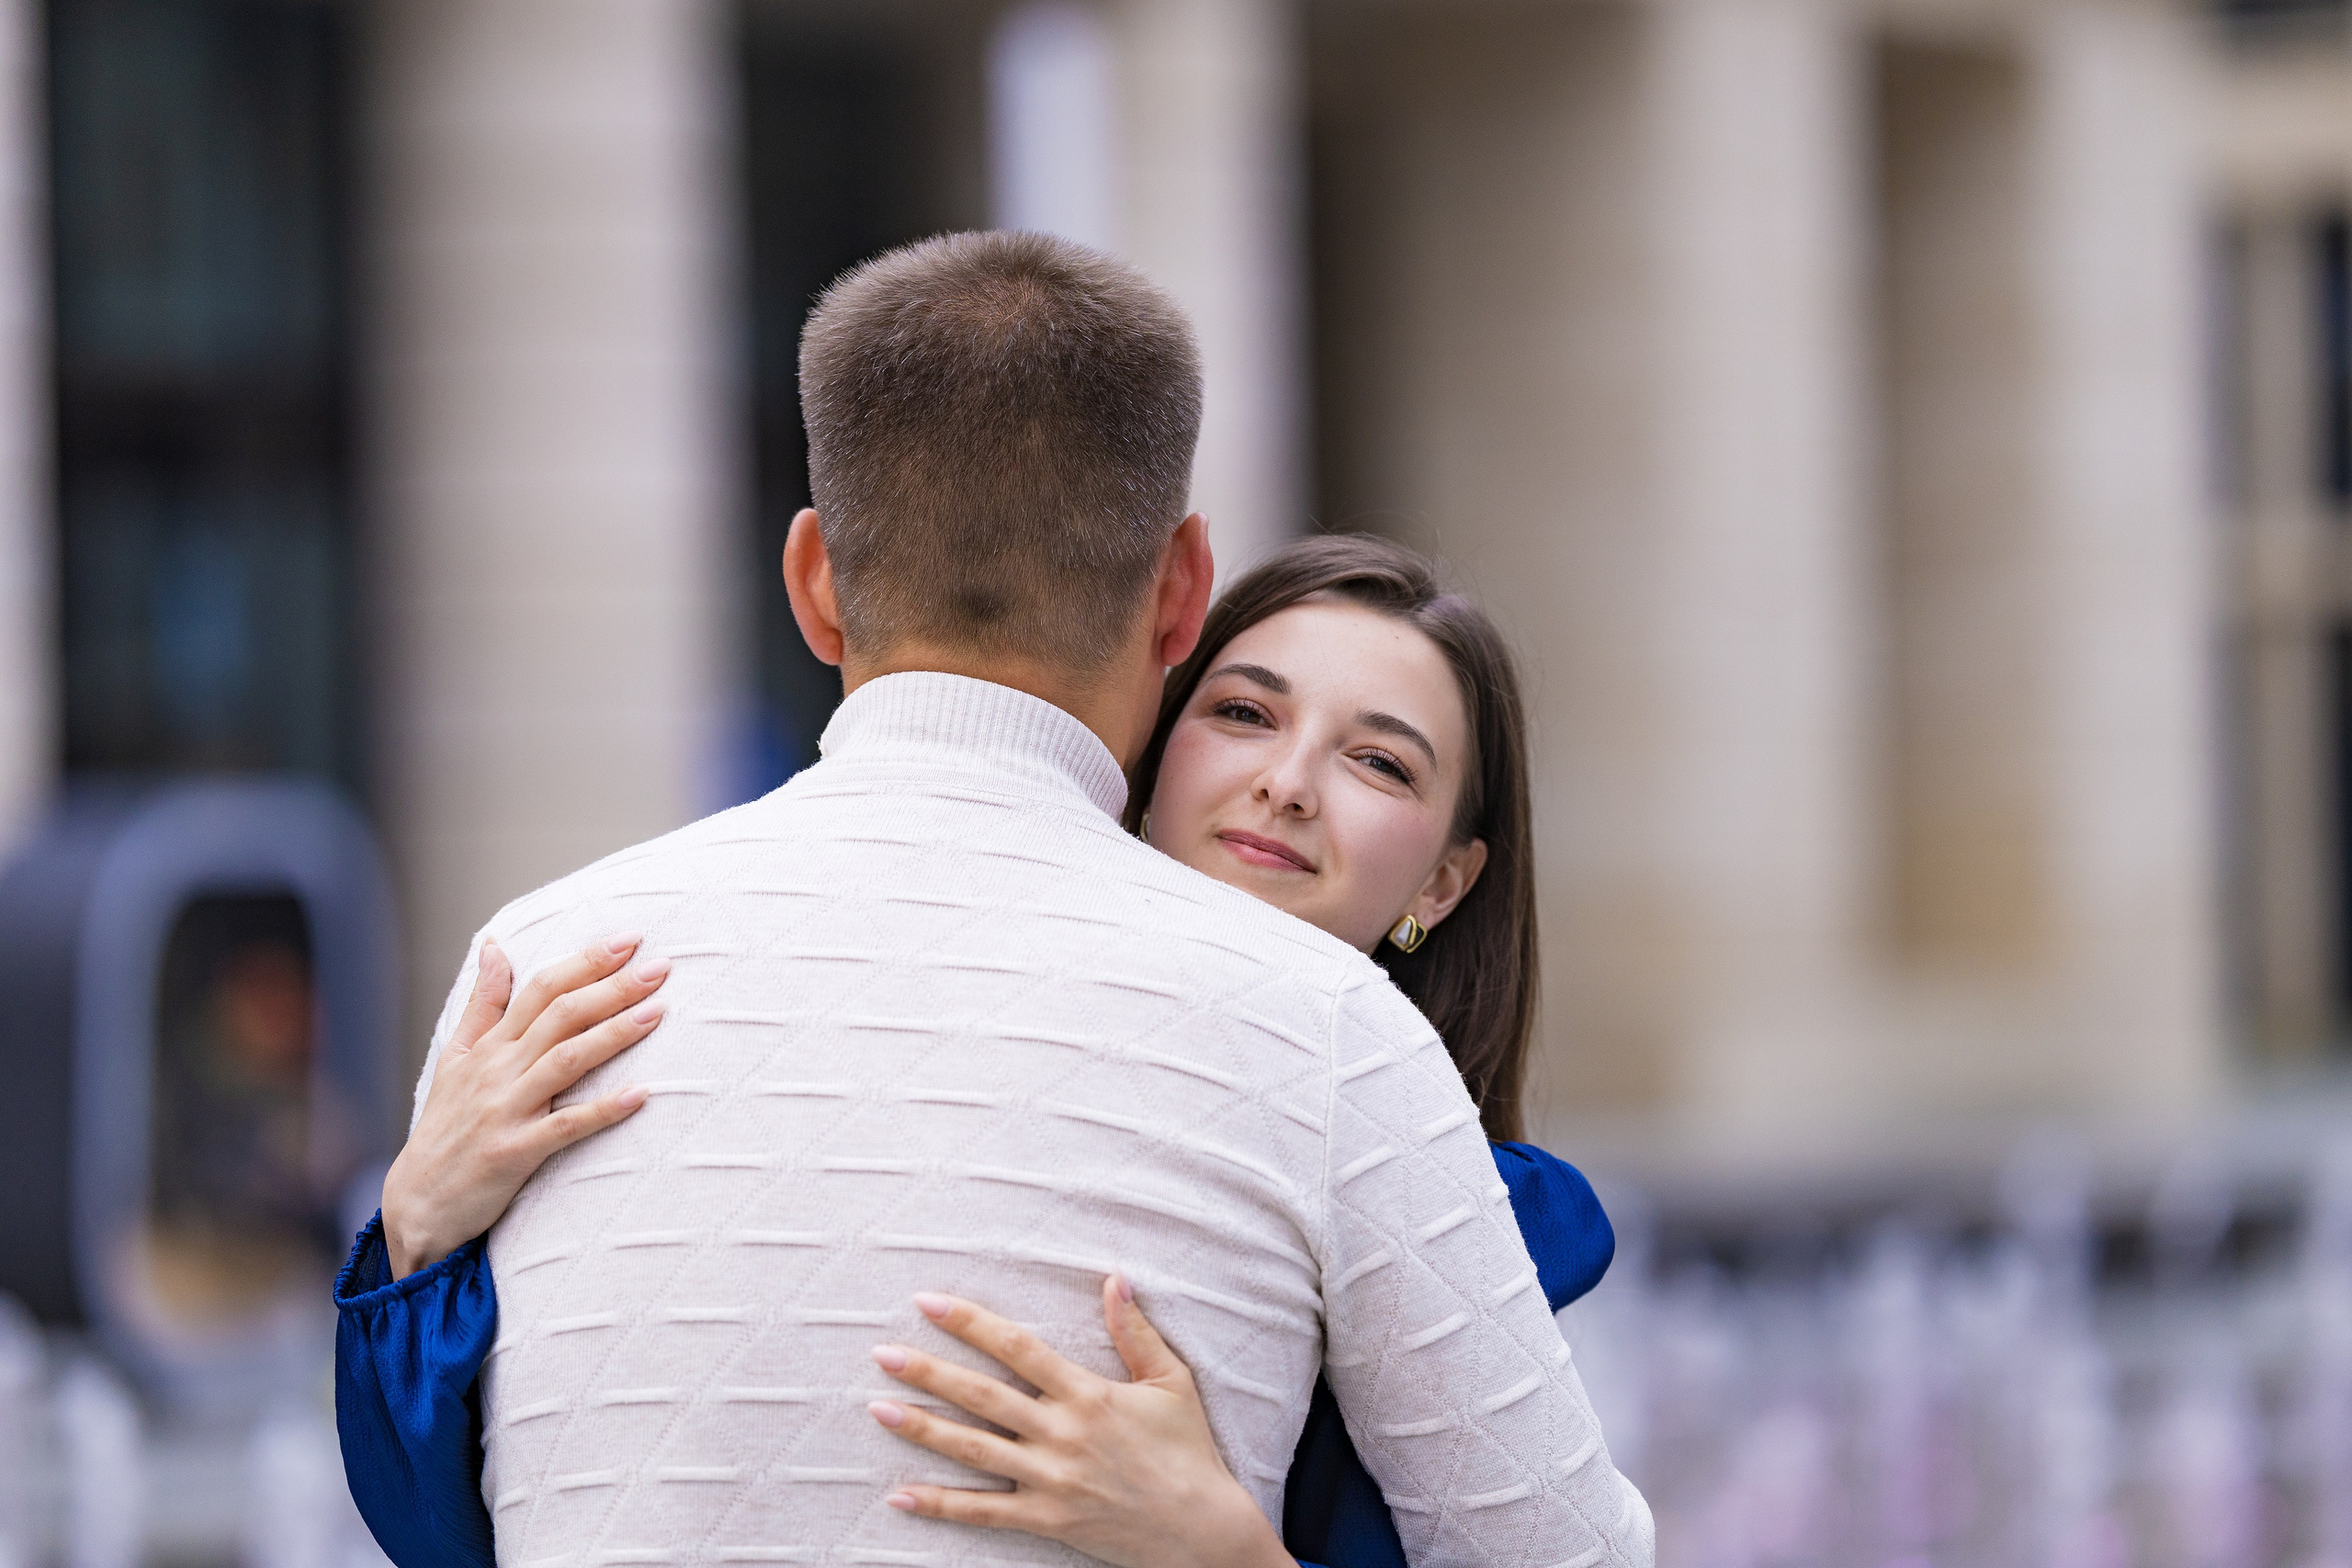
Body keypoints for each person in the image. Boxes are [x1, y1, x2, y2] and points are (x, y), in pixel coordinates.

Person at [336, 232, 1651, 1568]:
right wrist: (411, 1237)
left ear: (812, 584)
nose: (1287, 788)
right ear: (1182, 597)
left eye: (1377, 760)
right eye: (1246, 714)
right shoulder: (1329, 1035)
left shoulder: (541, 964)